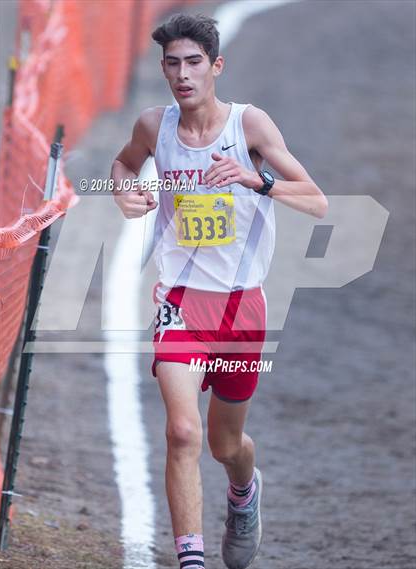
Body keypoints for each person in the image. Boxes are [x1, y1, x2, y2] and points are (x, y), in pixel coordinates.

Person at [111, 13, 328, 569]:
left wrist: (254, 179)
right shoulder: (152, 126)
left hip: (241, 309)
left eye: (193, 63)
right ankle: (191, 560)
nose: (182, 75)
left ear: (215, 66)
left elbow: (316, 200)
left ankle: (244, 489)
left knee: (225, 445)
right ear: (163, 69)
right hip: (179, 302)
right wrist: (123, 191)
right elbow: (123, 164)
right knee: (182, 431)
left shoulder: (249, 126)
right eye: (172, 64)